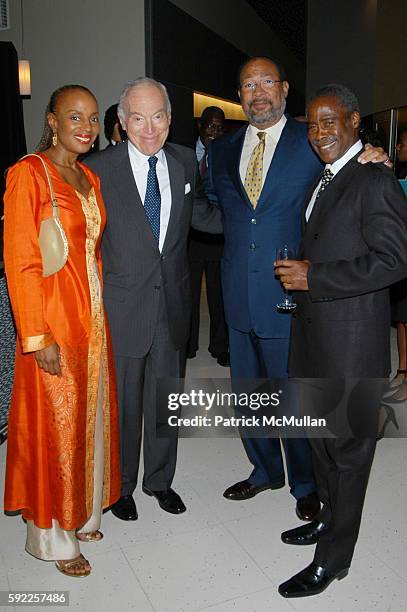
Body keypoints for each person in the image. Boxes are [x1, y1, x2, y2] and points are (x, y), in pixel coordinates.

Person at [206, 56, 390, 520]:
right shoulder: (223, 150)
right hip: (237, 295)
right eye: (248, 84)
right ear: (240, 95)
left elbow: (344, 168)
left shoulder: (311, 139)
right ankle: (264, 469)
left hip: (292, 295)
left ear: (285, 89)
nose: (258, 91)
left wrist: (374, 154)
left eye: (268, 81)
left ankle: (306, 483)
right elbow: (215, 208)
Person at [275, 84, 407, 598]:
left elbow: (397, 260)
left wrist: (316, 278)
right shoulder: (329, 175)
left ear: (355, 122)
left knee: (348, 456)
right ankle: (327, 521)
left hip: (351, 345)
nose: (321, 131)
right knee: (322, 445)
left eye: (331, 121)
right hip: (314, 339)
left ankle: (334, 561)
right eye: (313, 124)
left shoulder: (373, 178)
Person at [85, 77, 222, 521]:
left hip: (174, 305)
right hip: (122, 309)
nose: (149, 128)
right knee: (124, 405)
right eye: (138, 118)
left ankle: (159, 481)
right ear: (122, 123)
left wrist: (260, 219)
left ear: (170, 118)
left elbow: (204, 214)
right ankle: (121, 487)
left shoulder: (184, 162)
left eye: (158, 116)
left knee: (166, 400)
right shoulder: (98, 169)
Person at [3, 84, 121, 578]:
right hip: (52, 323)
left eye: (93, 118)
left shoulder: (89, 175)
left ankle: (85, 512)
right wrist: (37, 336)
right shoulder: (29, 173)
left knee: (88, 419)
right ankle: (54, 537)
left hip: (92, 323)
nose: (87, 127)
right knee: (56, 429)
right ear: (52, 120)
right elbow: (22, 260)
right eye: (75, 117)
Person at [188, 106, 229, 366]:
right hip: (190, 236)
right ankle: (189, 345)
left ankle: (220, 347)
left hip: (218, 235)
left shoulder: (227, 155)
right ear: (200, 126)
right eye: (211, 126)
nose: (215, 132)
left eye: (220, 127)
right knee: (188, 294)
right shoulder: (181, 154)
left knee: (219, 295)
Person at [387, 129, 407, 402]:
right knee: (402, 317)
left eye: (403, 143)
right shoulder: (398, 178)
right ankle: (403, 370)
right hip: (402, 255)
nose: (399, 147)